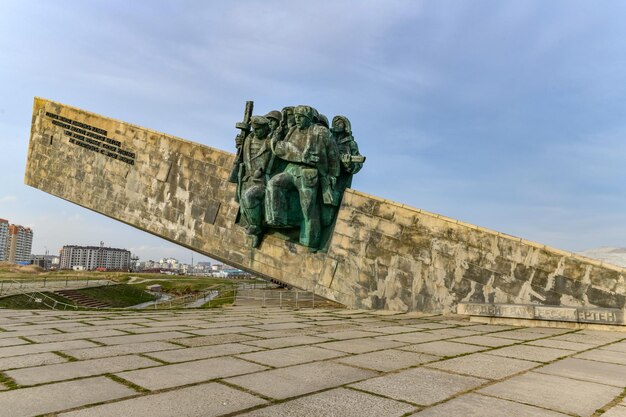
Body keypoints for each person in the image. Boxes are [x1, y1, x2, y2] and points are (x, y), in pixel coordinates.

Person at [265, 105, 339, 249]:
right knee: (274, 184)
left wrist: (332, 176)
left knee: (308, 210)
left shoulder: (321, 132)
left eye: (301, 117)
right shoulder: (293, 130)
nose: (297, 120)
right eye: (296, 117)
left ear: (309, 118)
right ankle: (278, 219)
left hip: (309, 174)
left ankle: (310, 242)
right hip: (291, 170)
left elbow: (333, 156)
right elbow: (282, 148)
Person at [236, 116, 274, 247]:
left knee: (250, 197)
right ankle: (253, 226)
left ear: (266, 128)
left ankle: (256, 227)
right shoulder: (248, 139)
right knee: (244, 210)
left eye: (259, 129)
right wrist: (239, 143)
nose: (256, 131)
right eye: (254, 129)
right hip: (247, 179)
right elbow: (242, 157)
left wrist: (263, 169)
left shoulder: (271, 141)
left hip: (262, 181)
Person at [331, 115, 364, 201]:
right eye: (335, 123)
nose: (336, 125)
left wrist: (348, 165)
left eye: (339, 123)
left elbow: (358, 164)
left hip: (341, 183)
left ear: (346, 126)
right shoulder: (329, 141)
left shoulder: (351, 144)